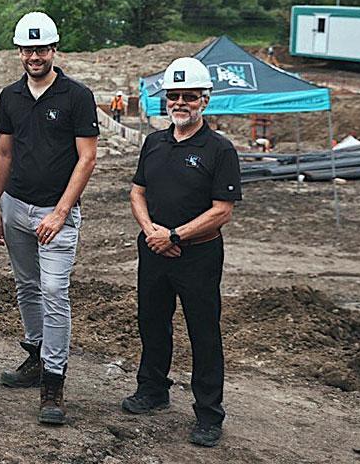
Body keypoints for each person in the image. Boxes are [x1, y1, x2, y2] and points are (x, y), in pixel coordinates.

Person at [122, 57, 240, 448]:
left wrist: (176, 236)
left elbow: (222, 210)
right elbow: (137, 191)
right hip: (153, 248)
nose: (180, 103)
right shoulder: (153, 143)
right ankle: (152, 388)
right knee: (152, 322)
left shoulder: (220, 150)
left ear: (205, 100)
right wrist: (151, 231)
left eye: (189, 96)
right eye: (174, 96)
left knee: (203, 332)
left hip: (198, 256)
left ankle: (209, 413)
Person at [0, 11, 98, 425]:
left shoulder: (76, 96)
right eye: (28, 49)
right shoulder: (10, 97)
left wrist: (62, 211)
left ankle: (54, 378)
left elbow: (86, 158)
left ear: (54, 50)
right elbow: (4, 154)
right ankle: (35, 355)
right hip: (16, 206)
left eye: (42, 48)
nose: (35, 55)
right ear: (20, 52)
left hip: (57, 212)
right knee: (27, 286)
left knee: (54, 290)